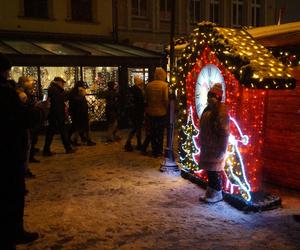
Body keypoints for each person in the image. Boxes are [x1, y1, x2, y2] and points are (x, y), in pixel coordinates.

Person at [0, 53, 39, 248]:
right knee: (12, 195)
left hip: (8, 150)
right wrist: (35, 109)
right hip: (8, 151)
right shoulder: (6, 92)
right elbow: (23, 119)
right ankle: (13, 233)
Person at [199, 83, 230, 203]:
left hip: (216, 144)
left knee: (214, 170)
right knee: (210, 170)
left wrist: (214, 127)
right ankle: (211, 191)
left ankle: (217, 192)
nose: (209, 98)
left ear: (218, 97)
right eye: (209, 95)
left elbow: (223, 128)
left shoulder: (220, 109)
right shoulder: (210, 108)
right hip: (208, 143)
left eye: (212, 95)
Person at [43, 77, 75, 156]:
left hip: (53, 114)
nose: (63, 85)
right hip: (57, 114)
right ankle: (67, 148)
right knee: (60, 132)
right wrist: (68, 93)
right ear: (58, 82)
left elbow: (44, 99)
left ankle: (47, 149)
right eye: (62, 83)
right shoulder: (55, 90)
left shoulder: (49, 89)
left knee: (52, 132)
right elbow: (60, 100)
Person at [145, 67, 168, 157]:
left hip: (151, 112)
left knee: (153, 132)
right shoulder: (165, 85)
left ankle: (154, 149)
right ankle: (159, 149)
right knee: (160, 132)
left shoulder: (149, 85)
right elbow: (166, 99)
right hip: (161, 112)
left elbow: (146, 98)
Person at [69, 80, 96, 146]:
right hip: (79, 112)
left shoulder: (75, 92)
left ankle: (81, 140)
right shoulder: (76, 92)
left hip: (80, 112)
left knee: (80, 127)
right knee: (81, 127)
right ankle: (84, 140)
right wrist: (81, 94)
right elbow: (77, 101)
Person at [124, 76, 145, 151]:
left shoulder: (133, 89)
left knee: (137, 128)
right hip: (137, 111)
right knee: (136, 128)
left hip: (135, 111)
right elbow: (139, 101)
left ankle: (135, 143)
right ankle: (130, 143)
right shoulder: (137, 90)